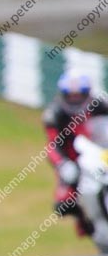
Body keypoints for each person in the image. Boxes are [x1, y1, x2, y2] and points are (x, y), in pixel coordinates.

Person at [42, 71, 108, 236]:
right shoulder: (54, 113)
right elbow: (52, 144)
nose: (75, 99)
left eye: (79, 94)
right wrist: (62, 164)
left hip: (99, 151)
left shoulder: (100, 105)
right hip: (72, 158)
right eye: (70, 95)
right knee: (64, 202)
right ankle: (85, 223)